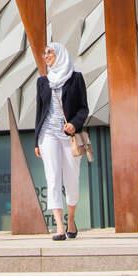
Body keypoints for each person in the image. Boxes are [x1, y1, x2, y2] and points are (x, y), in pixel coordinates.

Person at [32, 41, 88, 240]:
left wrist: (74, 123)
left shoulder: (76, 78)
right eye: (44, 52)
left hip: (69, 136)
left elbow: (83, 108)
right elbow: (39, 112)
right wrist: (36, 141)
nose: (46, 56)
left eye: (50, 52)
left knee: (72, 179)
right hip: (48, 134)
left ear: (60, 54)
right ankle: (58, 227)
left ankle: (71, 219)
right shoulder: (42, 81)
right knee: (52, 177)